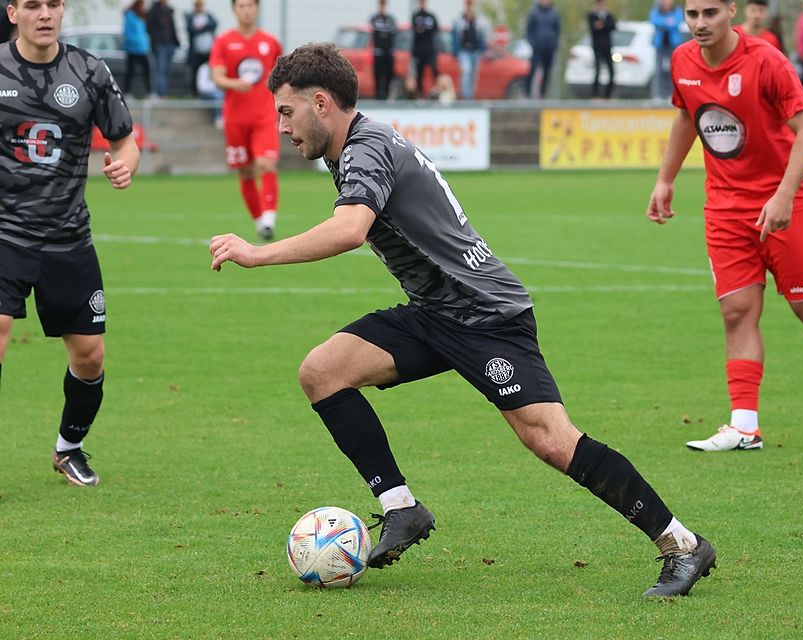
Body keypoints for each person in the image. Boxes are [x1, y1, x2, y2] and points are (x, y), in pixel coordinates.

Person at [209, 42, 718, 597]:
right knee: (322, 372)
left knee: (551, 439)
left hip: (486, 315)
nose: (281, 126)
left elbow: (349, 229)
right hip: (434, 313)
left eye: (286, 111)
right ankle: (401, 508)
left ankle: (682, 545)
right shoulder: (352, 148)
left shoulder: (365, 148)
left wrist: (256, 253)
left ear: (323, 103)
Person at [646, 0, 803, 451]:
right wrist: (665, 180)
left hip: (784, 202)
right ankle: (744, 425)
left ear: (732, 11)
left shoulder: (766, 61)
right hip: (725, 209)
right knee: (736, 310)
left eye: (710, 13)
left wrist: (785, 193)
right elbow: (688, 116)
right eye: (693, 15)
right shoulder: (682, 60)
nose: (700, 23)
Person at [0, 0, 140, 487]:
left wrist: (126, 162)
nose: (45, 14)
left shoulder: (88, 70)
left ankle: (69, 448)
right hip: (5, 233)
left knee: (89, 356)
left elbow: (125, 138)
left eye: (53, 4)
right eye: (33, 5)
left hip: (67, 237)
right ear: (13, 12)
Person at [210, 0, 282, 241]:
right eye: (241, 5)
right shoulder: (224, 42)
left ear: (257, 8)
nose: (246, 10)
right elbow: (217, 76)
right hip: (235, 118)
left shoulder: (270, 43)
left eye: (250, 5)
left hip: (264, 116)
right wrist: (233, 83)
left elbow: (283, 76)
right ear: (234, 10)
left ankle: (270, 219)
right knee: (246, 172)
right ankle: (260, 221)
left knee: (266, 164)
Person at [452, 0, 488, 100]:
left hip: (475, 51)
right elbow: (455, 37)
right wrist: (455, 52)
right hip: (464, 51)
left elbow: (483, 36)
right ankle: (465, 95)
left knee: (473, 75)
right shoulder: (460, 21)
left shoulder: (478, 21)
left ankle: (471, 97)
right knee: (466, 71)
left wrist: (483, 50)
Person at [525, 0, 560, 99]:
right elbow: (528, 30)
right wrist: (533, 43)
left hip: (549, 48)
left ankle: (543, 95)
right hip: (537, 47)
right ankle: (527, 94)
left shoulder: (554, 14)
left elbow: (557, 30)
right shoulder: (534, 13)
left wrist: (554, 44)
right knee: (532, 70)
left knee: (547, 71)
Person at [649, 0, 684, 100]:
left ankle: (672, 94)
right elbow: (654, 21)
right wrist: (668, 21)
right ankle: (658, 94)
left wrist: (663, 22)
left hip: (673, 45)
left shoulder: (677, 10)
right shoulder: (656, 10)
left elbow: (676, 22)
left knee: (672, 70)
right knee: (658, 70)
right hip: (660, 45)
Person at [146, 0, 179, 97]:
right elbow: (149, 26)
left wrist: (176, 41)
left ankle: (163, 93)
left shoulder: (169, 10)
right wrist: (156, 38)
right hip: (160, 44)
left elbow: (172, 27)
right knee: (160, 70)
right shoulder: (154, 10)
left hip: (170, 44)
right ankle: (160, 93)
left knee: (166, 70)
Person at [185, 0, 217, 98]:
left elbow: (214, 25)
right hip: (196, 51)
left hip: (209, 50)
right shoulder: (191, 17)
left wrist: (201, 27)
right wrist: (204, 28)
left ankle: (211, 91)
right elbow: (191, 30)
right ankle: (195, 92)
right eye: (197, 5)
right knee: (195, 72)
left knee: (210, 71)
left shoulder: (208, 16)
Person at [587, 0, 617, 99]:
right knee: (597, 70)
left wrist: (602, 24)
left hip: (607, 47)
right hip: (597, 47)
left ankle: (607, 95)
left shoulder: (608, 15)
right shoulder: (592, 15)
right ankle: (595, 94)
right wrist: (602, 25)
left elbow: (612, 26)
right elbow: (593, 28)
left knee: (611, 71)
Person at [122, 0, 151, 98]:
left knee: (146, 71)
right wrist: (137, 41)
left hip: (143, 48)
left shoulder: (141, 16)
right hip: (133, 49)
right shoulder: (130, 15)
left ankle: (149, 92)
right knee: (130, 71)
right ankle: (126, 92)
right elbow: (127, 32)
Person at [370, 0, 397, 101]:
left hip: (388, 52)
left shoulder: (390, 19)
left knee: (388, 76)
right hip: (378, 52)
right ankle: (378, 97)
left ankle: (386, 97)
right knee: (377, 76)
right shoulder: (374, 18)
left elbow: (393, 35)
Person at [411, 0, 438, 98]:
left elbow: (435, 30)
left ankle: (435, 94)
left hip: (430, 50)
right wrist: (425, 29)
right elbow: (415, 31)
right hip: (418, 51)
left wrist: (422, 29)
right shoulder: (415, 16)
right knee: (419, 74)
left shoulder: (431, 16)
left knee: (435, 72)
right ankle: (420, 95)